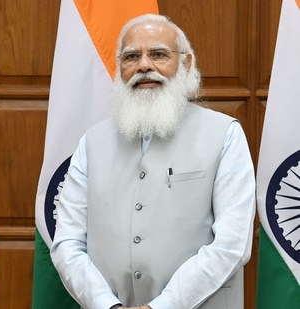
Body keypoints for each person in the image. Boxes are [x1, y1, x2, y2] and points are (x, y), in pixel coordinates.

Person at [50, 14, 255, 309]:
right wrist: (106, 304)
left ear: (185, 64)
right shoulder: (91, 143)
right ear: (119, 67)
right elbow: (67, 243)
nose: (144, 66)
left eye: (158, 54)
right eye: (132, 56)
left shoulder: (225, 135)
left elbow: (232, 245)